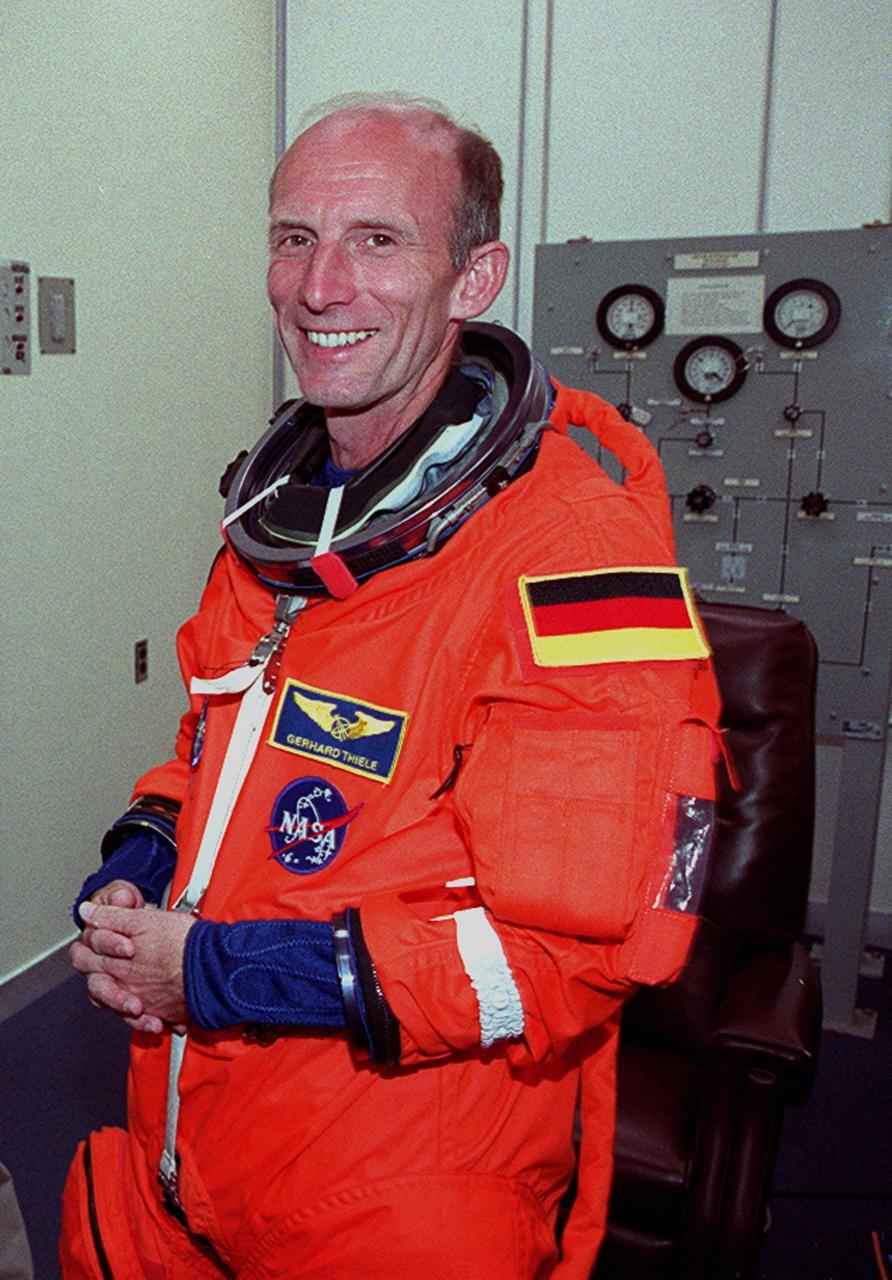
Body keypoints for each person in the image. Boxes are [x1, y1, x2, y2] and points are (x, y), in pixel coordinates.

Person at [61, 95, 721, 1278]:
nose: (319, 287)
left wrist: (214, 971)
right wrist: (142, 860)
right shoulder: (279, 524)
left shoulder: (577, 555)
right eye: (294, 237)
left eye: (377, 239)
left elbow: (573, 955)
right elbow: (213, 749)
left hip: (401, 1180)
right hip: (194, 1135)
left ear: (475, 278)